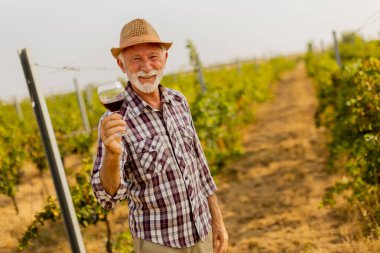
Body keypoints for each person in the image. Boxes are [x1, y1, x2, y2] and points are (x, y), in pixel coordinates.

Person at [91, 18, 228, 253]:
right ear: (122, 65)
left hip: (202, 230)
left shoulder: (178, 101)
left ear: (165, 59)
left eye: (154, 56)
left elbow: (199, 166)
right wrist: (112, 156)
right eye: (136, 59)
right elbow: (107, 198)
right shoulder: (114, 121)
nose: (147, 67)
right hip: (159, 243)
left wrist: (217, 219)